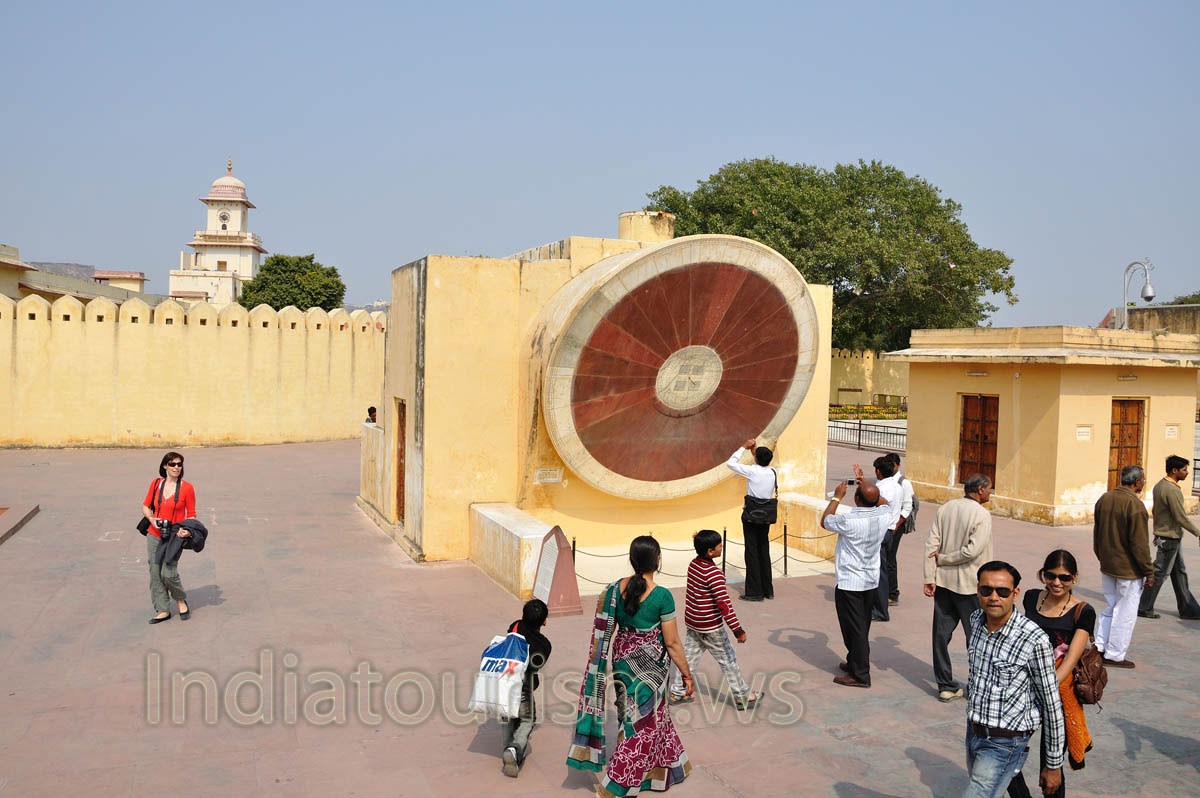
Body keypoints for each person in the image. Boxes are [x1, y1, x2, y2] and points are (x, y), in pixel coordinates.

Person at [567, 535, 693, 796]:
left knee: (642, 715)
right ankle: (617, 783)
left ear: (632, 560)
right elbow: (672, 642)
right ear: (657, 559)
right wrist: (687, 674)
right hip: (651, 669)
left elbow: (608, 631)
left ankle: (663, 768)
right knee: (642, 724)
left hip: (622, 660)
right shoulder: (662, 596)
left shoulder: (614, 590)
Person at [963, 561, 1065, 798]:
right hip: (974, 733)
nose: (993, 597)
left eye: (1003, 591)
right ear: (978, 590)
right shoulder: (976, 620)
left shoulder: (1033, 639)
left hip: (1005, 744)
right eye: (986, 590)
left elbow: (1051, 704)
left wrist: (1053, 764)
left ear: (1015, 594)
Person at [1007, 550, 1095, 798]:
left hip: (1057, 692)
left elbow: (1071, 659)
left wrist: (1045, 688)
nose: (1057, 582)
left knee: (1051, 765)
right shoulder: (1032, 598)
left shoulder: (1083, 612)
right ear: (1042, 575)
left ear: (1074, 578)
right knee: (1006, 753)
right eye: (1050, 576)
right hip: (1023, 686)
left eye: (1064, 578)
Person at [668, 529, 760, 709]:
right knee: (728, 659)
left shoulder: (693, 565)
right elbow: (724, 605)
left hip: (694, 622)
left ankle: (678, 692)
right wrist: (738, 631)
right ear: (710, 551)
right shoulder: (714, 574)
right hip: (711, 627)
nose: (722, 548)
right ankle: (743, 696)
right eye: (720, 546)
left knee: (688, 658)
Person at [924, 473, 993, 702]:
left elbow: (931, 544)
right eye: (990, 488)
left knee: (940, 636)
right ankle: (976, 686)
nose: (991, 492)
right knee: (975, 639)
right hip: (969, 585)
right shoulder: (981, 514)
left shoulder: (947, 508)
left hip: (944, 582)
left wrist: (930, 575)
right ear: (981, 490)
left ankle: (946, 685)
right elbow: (972, 551)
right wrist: (943, 560)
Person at [820, 465, 891, 688]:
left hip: (851, 581)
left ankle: (860, 674)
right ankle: (854, 661)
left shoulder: (849, 521)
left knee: (855, 628)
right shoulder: (882, 515)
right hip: (870, 580)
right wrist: (867, 486)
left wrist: (837, 497)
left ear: (857, 500)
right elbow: (885, 503)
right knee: (861, 625)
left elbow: (825, 520)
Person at [1092, 465, 1154, 668]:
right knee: (1125, 612)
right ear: (1136, 482)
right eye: (1143, 480)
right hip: (1128, 570)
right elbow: (1139, 544)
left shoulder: (1105, 499)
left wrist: (1102, 558)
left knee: (1111, 606)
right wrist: (1148, 571)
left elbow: (1097, 534)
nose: (1143, 483)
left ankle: (1100, 646)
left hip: (1108, 565)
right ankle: (1115, 654)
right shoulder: (1134, 506)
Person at [1138, 455, 1200, 620]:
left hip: (1168, 535)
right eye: (1184, 470)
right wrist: (1198, 532)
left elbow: (1157, 512)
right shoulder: (1171, 489)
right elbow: (1180, 517)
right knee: (1159, 573)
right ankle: (1144, 607)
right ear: (1174, 471)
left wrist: (1157, 532)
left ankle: (1189, 608)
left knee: (1179, 572)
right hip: (1169, 537)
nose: (1187, 473)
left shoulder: (1160, 485)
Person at [140, 451, 197, 624]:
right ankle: (163, 609)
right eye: (172, 464)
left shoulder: (187, 488)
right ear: (165, 465)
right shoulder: (156, 484)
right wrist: (151, 519)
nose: (176, 467)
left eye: (179, 464)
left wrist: (187, 531)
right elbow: (145, 506)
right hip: (154, 533)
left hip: (175, 535)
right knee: (155, 571)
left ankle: (180, 599)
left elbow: (192, 515)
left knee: (169, 572)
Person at [501, 598, 552, 778]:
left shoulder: (515, 626)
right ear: (544, 621)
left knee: (507, 717)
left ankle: (509, 750)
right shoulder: (543, 644)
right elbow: (536, 665)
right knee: (527, 720)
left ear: (522, 615)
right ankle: (514, 749)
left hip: (504, 683)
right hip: (523, 688)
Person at [727, 439, 777, 602]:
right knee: (763, 550)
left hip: (751, 516)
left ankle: (754, 591)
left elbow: (731, 463)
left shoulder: (752, 471)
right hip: (766, 516)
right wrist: (755, 450)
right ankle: (767, 589)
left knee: (752, 552)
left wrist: (743, 447)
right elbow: (761, 461)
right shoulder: (773, 472)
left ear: (756, 459)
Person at [871, 455, 905, 622]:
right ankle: (878, 606)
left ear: (878, 471)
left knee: (880, 572)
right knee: (881, 569)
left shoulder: (882, 488)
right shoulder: (897, 486)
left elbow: (874, 505)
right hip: (890, 530)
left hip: (881, 531)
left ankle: (880, 610)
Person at [885, 451, 916, 606]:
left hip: (897, 525)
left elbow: (908, 505)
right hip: (889, 524)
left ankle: (893, 593)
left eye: (893, 464)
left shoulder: (904, 483)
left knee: (890, 558)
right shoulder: (887, 479)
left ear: (898, 465)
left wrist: (897, 524)